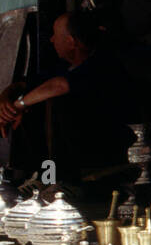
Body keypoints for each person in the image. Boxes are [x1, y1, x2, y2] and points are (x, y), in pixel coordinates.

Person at [0, 11, 133, 200]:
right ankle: (43, 178)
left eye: (56, 35)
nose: (52, 40)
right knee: (34, 99)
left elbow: (59, 86)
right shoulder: (65, 65)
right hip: (64, 154)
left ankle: (67, 183)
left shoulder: (103, 64)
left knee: (51, 99)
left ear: (71, 42)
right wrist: (6, 102)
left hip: (101, 148)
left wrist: (20, 104)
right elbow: (25, 84)